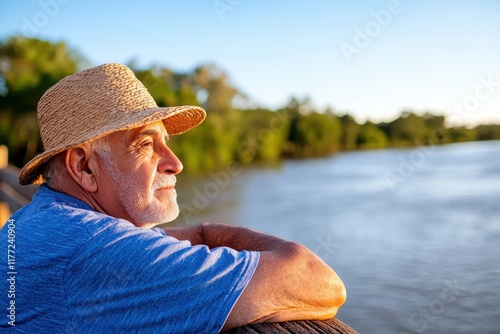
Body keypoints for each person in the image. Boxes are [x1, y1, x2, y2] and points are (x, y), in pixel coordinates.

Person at [0, 63, 346, 333]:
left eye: (167, 142)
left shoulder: (42, 221)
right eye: (146, 144)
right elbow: (319, 282)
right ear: (84, 167)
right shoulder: (95, 249)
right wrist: (211, 233)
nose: (175, 163)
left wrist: (207, 234)